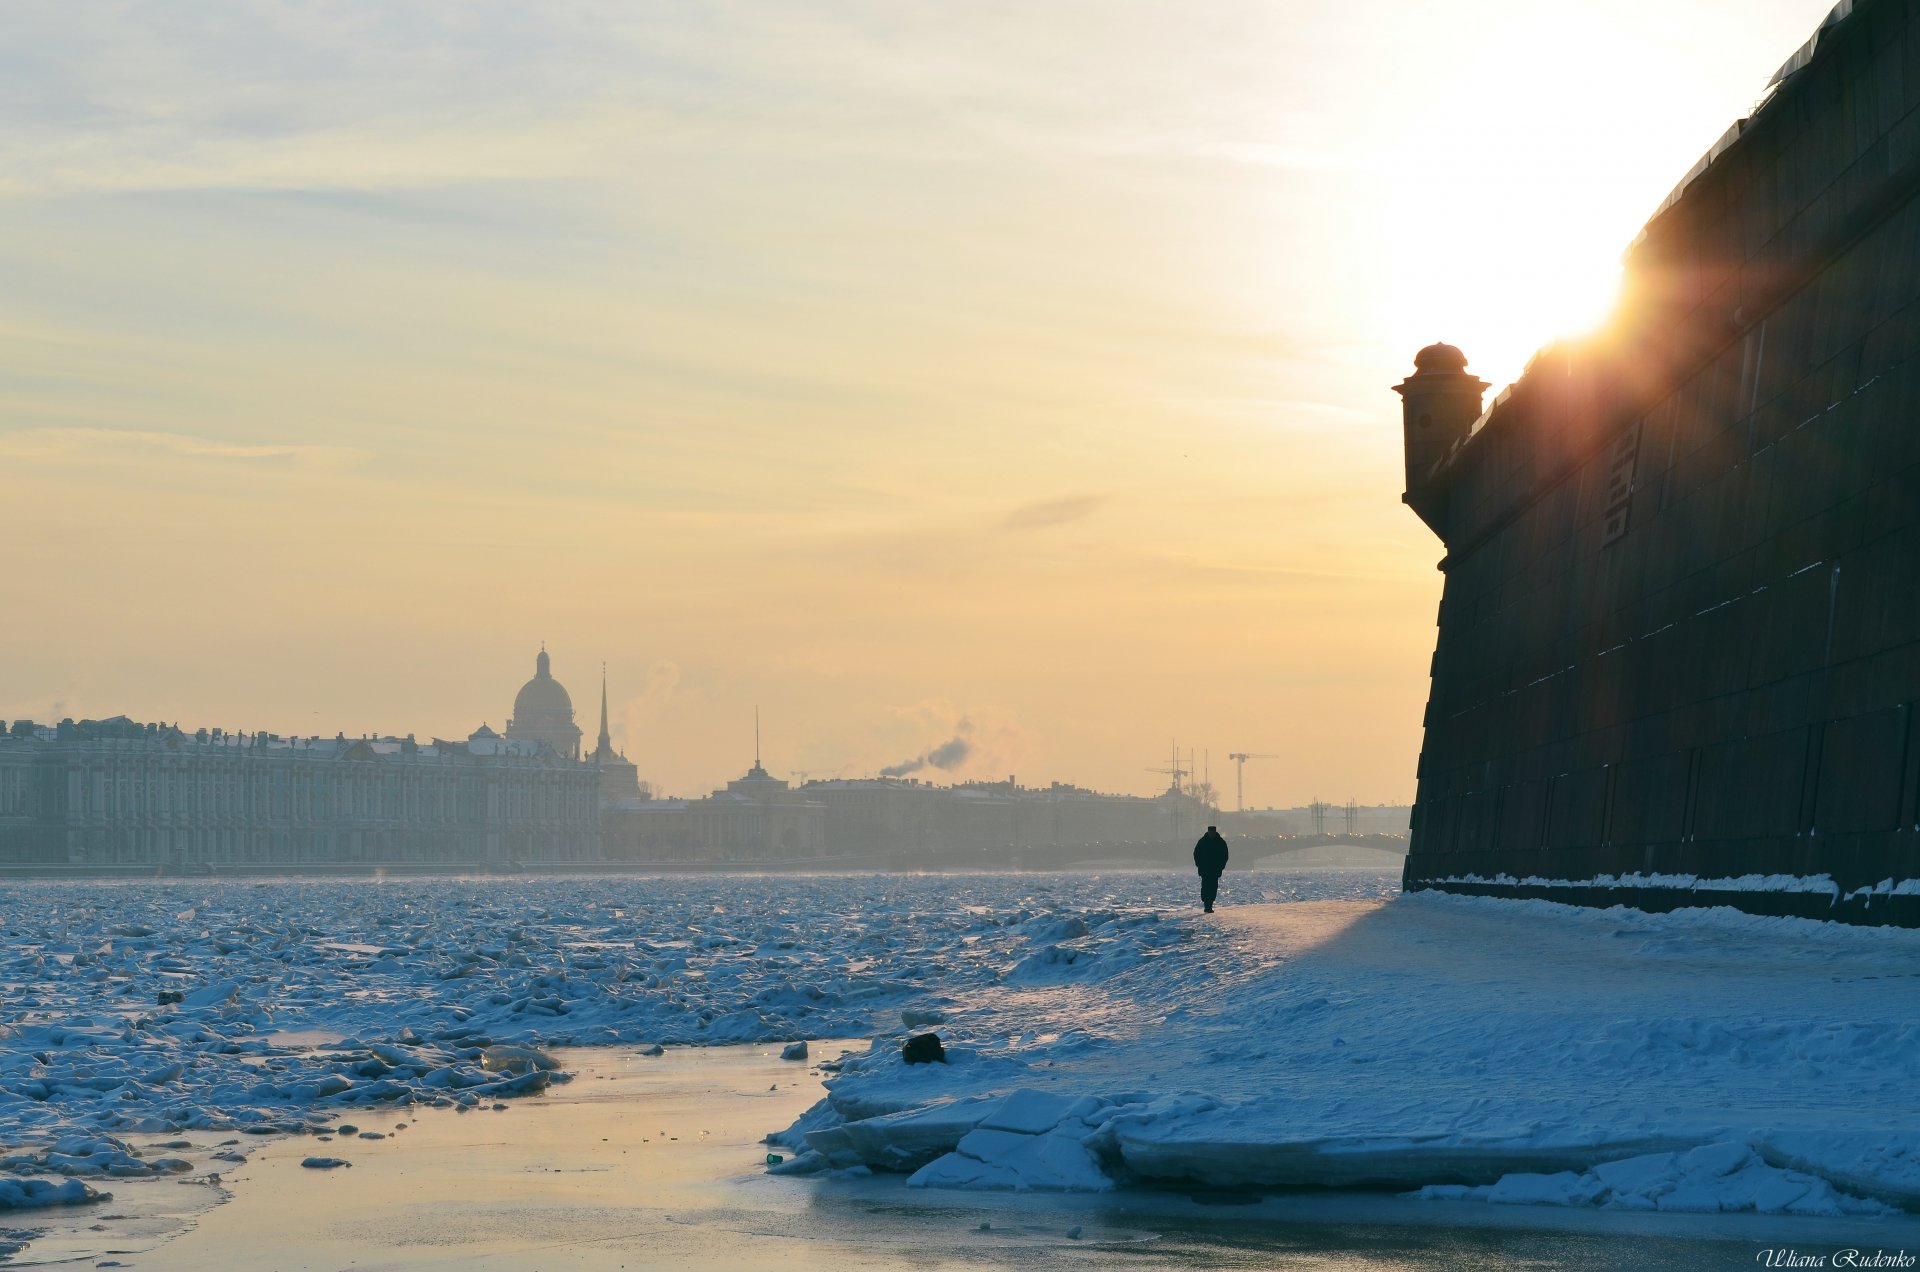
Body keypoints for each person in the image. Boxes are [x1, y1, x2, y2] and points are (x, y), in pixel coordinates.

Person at [1192, 825, 1229, 912]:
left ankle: (1209, 905)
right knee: (1205, 887)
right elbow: (1196, 854)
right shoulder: (1203, 841)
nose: (1211, 834)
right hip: (1205, 869)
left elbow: (1225, 856)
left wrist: (1221, 866)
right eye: (1210, 832)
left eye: (1212, 832)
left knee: (1213, 887)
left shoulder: (1220, 842)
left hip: (1215, 869)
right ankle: (1207, 905)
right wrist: (1199, 865)